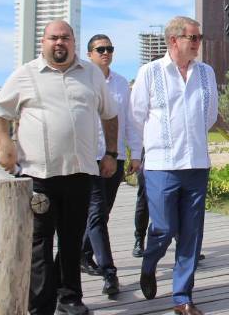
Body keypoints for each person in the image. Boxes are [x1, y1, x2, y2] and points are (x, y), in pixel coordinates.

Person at [0, 20, 118, 315]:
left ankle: (70, 297)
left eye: (66, 38)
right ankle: (41, 306)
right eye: (54, 38)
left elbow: (110, 115)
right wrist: (5, 144)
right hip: (39, 176)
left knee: (72, 241)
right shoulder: (25, 74)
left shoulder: (92, 75)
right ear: (43, 43)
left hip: (80, 173)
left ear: (74, 42)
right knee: (40, 246)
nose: (60, 43)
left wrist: (111, 152)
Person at [130, 16, 218, 315]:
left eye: (199, 38)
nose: (197, 43)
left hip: (196, 165)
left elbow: (209, 116)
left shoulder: (205, 73)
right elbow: (136, 116)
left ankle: (182, 297)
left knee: (192, 233)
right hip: (160, 165)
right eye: (192, 38)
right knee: (164, 228)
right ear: (173, 40)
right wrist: (136, 156)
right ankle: (149, 263)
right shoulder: (150, 72)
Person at [79, 34, 142, 296]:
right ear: (89, 53)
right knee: (95, 212)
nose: (106, 53)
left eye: (109, 49)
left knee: (102, 213)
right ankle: (110, 273)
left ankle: (82, 254)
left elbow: (128, 121)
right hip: (86, 157)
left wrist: (135, 153)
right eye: (100, 49)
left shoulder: (120, 84)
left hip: (113, 156)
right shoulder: (80, 79)